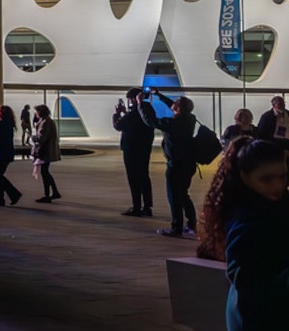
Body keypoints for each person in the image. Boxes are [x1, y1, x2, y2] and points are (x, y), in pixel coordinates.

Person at [196, 136, 289, 330]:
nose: (277, 186)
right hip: (257, 319)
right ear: (244, 176)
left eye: (282, 177)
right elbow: (250, 287)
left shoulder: (274, 204)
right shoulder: (247, 222)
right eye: (266, 179)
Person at [140, 90, 199, 237]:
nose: (173, 104)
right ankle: (192, 224)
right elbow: (174, 106)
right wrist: (159, 95)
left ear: (178, 108)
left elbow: (151, 121)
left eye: (176, 103)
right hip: (189, 163)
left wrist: (141, 104)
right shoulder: (190, 118)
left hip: (176, 165)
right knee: (183, 194)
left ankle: (176, 228)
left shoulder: (172, 123)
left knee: (174, 197)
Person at [113, 88, 154, 217]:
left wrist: (117, 114)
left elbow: (118, 126)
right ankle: (147, 206)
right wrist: (126, 112)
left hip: (131, 149)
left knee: (133, 178)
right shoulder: (148, 110)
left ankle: (137, 206)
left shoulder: (133, 114)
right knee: (144, 176)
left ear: (133, 99)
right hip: (145, 148)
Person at [31, 104, 62, 203]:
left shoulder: (45, 122)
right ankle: (54, 192)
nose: (35, 114)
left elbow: (41, 138)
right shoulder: (46, 121)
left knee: (44, 172)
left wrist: (32, 137)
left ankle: (47, 195)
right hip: (47, 150)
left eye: (36, 112)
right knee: (45, 172)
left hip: (45, 151)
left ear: (40, 112)